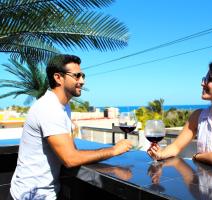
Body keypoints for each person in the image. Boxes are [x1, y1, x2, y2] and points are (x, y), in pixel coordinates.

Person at [9, 54, 132, 200]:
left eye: (83, 76)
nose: (82, 81)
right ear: (58, 78)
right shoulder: (49, 108)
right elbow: (70, 158)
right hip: (31, 195)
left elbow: (71, 150)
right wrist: (114, 150)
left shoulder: (63, 106)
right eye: (77, 76)